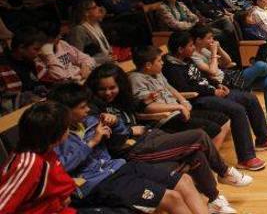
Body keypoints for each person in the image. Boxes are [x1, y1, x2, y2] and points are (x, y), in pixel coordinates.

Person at [48, 83, 210, 214]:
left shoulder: (91, 121)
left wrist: (116, 123)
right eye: (82, 107)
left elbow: (121, 138)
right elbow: (61, 168)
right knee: (171, 198)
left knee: (184, 180)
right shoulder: (54, 137)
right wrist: (91, 143)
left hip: (120, 166)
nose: (88, 110)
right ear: (66, 111)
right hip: (97, 183)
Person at [162, 31, 267, 171]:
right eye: (190, 46)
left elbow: (203, 77)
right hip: (198, 99)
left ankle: (263, 139)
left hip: (211, 91)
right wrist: (213, 91)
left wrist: (217, 85)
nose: (193, 48)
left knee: (250, 98)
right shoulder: (171, 68)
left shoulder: (187, 59)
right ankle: (246, 158)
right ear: (180, 49)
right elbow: (186, 88)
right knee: (237, 110)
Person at [0, 101, 77, 214]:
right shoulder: (28, 163)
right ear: (56, 134)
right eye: (67, 127)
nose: (68, 130)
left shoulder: (46, 151)